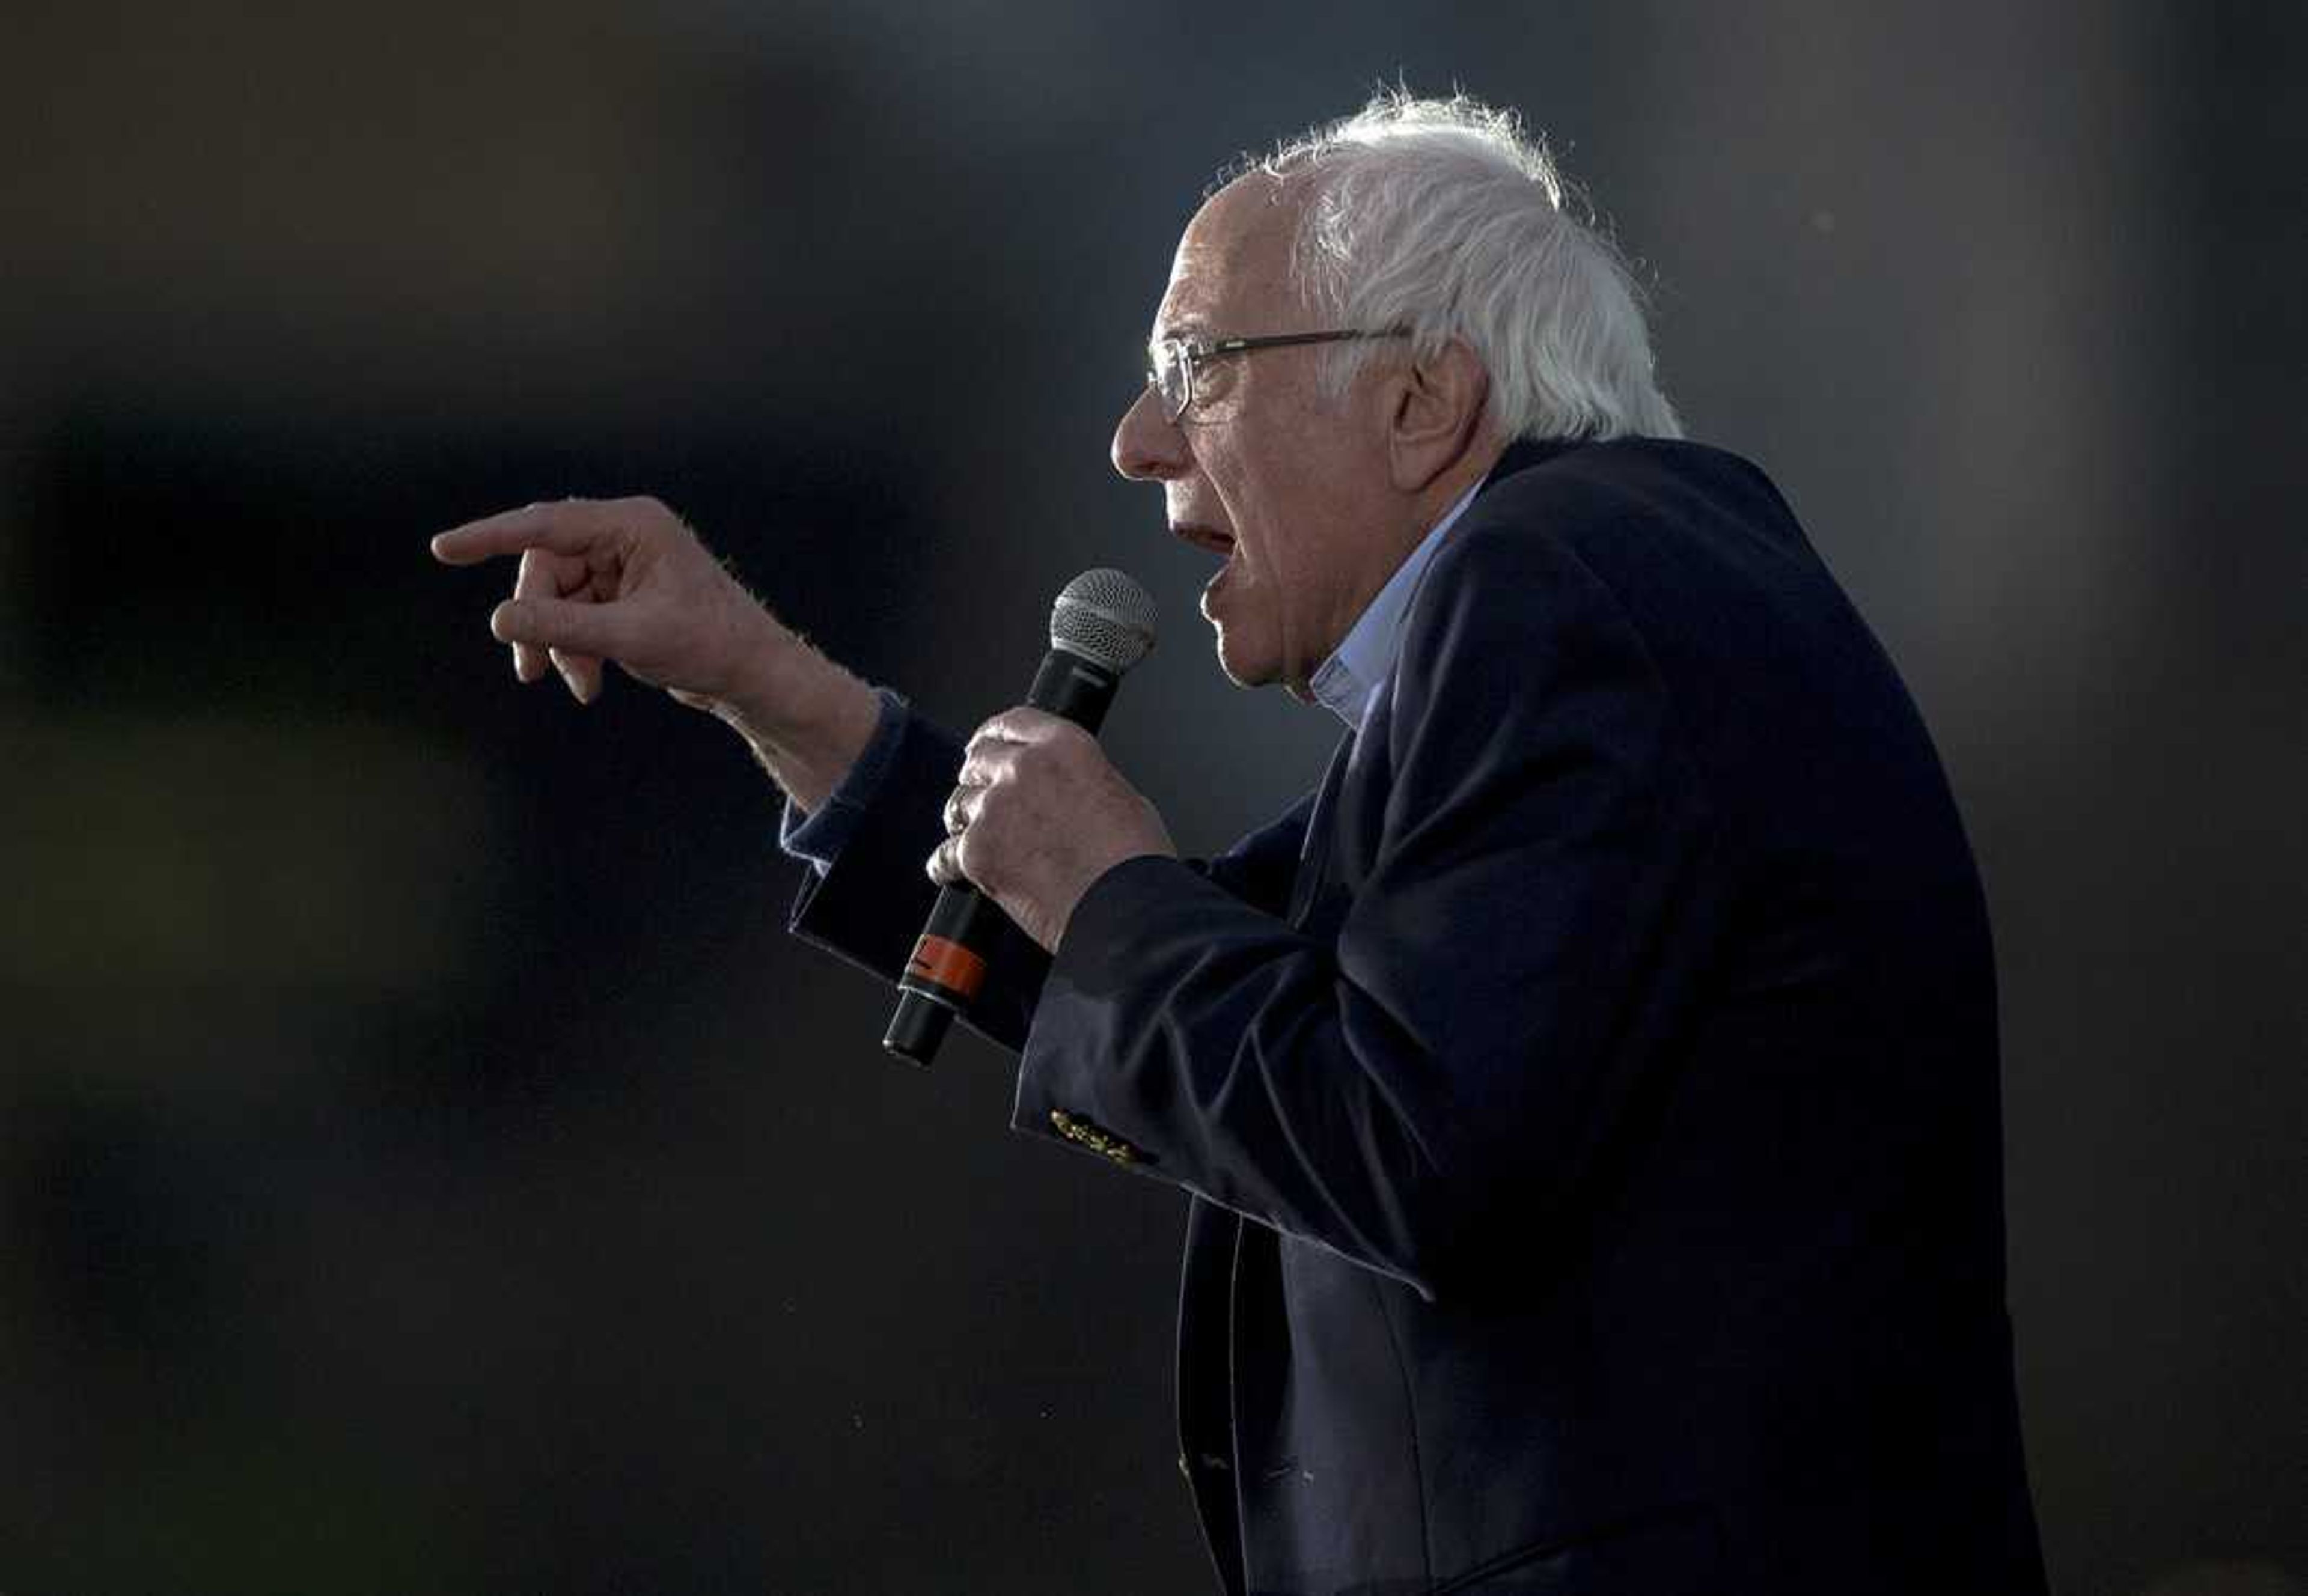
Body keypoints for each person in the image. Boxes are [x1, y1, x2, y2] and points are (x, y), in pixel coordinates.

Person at [433, 93, 2047, 1596]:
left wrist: (1107, 883)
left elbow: (1389, 1130)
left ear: (1420, 400)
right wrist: (761, 680)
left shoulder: (1563, 597)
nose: (1140, 438)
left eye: (1199, 364)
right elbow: (1213, 1002)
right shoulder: (1622, 598)